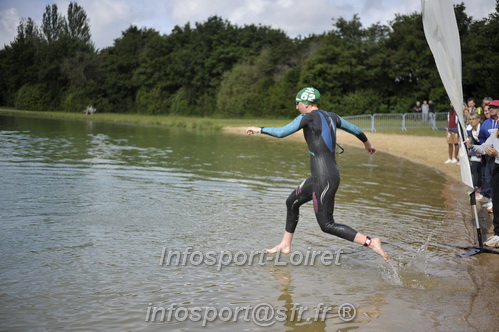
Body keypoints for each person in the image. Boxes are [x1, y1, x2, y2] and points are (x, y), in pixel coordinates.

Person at [246, 87, 389, 263]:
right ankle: (285, 244)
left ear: (305, 103)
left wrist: (258, 129)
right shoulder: (333, 116)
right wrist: (367, 145)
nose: (296, 107)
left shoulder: (307, 117)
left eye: (297, 103)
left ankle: (370, 241)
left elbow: (281, 133)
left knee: (327, 224)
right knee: (291, 202)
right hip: (322, 176)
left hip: (325, 178)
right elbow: (356, 130)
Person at [467, 100, 499, 247]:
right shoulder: (496, 134)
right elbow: (485, 147)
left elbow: (494, 152)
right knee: (497, 203)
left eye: (494, 108)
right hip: (497, 169)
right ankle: (498, 235)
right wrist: (471, 146)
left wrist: (497, 154)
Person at [478, 100, 499, 211]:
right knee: (488, 177)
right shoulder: (486, 123)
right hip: (489, 156)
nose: (490, 109)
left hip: (496, 156)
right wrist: (474, 147)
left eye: (493, 107)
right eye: (489, 107)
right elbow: (482, 139)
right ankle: (491, 199)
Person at [467, 114, 482, 196]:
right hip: (475, 153)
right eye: (470, 119)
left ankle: (479, 186)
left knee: (480, 171)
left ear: (478, 119)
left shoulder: (482, 129)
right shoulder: (471, 130)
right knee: (474, 169)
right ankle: (476, 186)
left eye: (473, 119)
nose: (471, 121)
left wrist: (481, 150)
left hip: (484, 152)